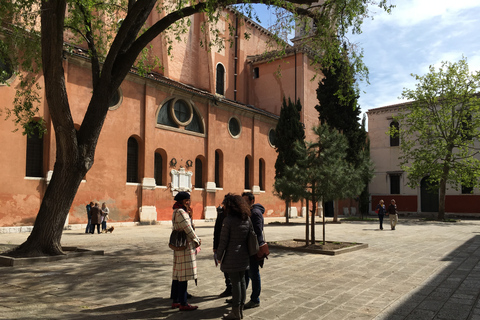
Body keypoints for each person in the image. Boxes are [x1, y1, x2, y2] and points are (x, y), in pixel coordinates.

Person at [217, 194, 251, 320]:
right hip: (244, 254)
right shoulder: (246, 218)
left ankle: (235, 312)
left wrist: (219, 255)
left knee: (235, 283)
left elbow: (223, 241)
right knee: (242, 281)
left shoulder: (229, 220)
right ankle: (240, 310)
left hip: (232, 256)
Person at [171, 191, 201, 311]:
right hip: (185, 246)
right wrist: (197, 239)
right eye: (187, 200)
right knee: (183, 275)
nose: (189, 202)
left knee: (178, 273)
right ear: (183, 201)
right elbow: (188, 228)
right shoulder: (181, 212)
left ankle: (176, 300)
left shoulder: (176, 211)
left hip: (179, 246)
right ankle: (183, 302)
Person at [242, 192, 265, 309]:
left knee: (253, 274)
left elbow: (257, 231)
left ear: (251, 201)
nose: (243, 203)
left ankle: (255, 299)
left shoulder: (255, 213)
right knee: (246, 274)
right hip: (247, 248)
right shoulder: (249, 212)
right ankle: (240, 297)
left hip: (253, 248)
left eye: (245, 201)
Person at [214, 202, 233, 298]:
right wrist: (215, 246)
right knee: (224, 267)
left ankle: (233, 289)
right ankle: (229, 287)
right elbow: (216, 231)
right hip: (222, 245)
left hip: (231, 246)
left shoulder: (234, 216)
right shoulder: (221, 215)